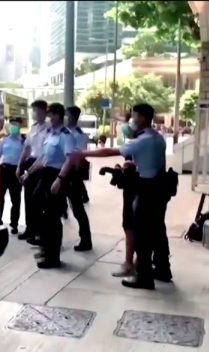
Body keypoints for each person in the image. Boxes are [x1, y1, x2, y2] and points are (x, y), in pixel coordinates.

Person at [71, 103, 171, 289]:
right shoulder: (157, 138)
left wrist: (83, 153)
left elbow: (111, 151)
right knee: (157, 230)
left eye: (134, 116)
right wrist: (136, 166)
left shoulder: (143, 139)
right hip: (159, 187)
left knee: (141, 234)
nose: (132, 121)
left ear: (141, 118)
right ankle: (163, 269)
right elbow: (154, 163)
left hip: (147, 189)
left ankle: (144, 277)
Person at [21, 103, 75, 268]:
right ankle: (45, 246)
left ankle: (53, 257)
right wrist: (28, 172)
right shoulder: (51, 134)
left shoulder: (66, 135)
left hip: (57, 176)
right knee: (37, 207)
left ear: (57, 116)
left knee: (52, 216)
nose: (47, 118)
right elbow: (43, 158)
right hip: (46, 175)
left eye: (50, 115)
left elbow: (70, 159)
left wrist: (59, 179)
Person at [16, 100, 49, 241]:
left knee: (39, 200)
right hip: (31, 163)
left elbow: (45, 153)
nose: (35, 114)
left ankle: (40, 231)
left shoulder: (49, 129)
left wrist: (30, 170)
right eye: (34, 111)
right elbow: (26, 148)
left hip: (42, 165)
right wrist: (19, 165)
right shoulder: (34, 128)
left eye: (38, 111)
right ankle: (30, 229)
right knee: (28, 198)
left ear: (45, 112)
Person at [112, 112, 138, 277]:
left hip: (135, 187)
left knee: (130, 225)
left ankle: (130, 263)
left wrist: (130, 164)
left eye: (129, 122)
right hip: (134, 186)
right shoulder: (144, 140)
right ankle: (138, 262)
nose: (126, 126)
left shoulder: (140, 142)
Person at [64, 106, 93, 251]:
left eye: (67, 115)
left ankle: (86, 240)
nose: (65, 118)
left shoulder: (79, 135)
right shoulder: (65, 133)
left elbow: (78, 156)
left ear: (74, 118)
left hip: (72, 173)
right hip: (62, 171)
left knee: (77, 208)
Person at [0, 118, 24, 234]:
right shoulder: (5, 140)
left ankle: (14, 224)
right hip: (4, 169)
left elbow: (26, 156)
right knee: (0, 197)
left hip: (16, 171)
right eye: (11, 125)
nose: (13, 127)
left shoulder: (23, 141)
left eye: (15, 125)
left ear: (20, 126)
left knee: (15, 199)